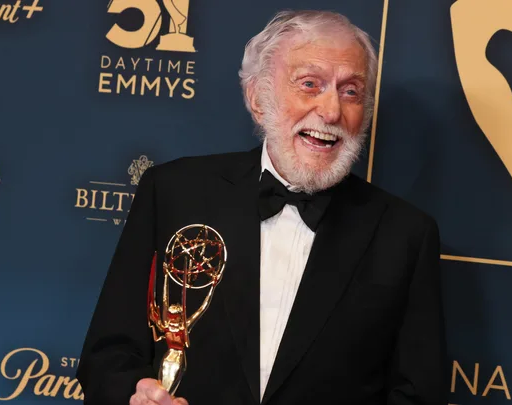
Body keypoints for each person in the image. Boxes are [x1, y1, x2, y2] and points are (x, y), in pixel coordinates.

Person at [77, 10, 447, 405]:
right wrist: (133, 395)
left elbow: (418, 393)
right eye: (310, 84)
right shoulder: (172, 192)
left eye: (351, 91)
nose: (332, 111)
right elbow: (108, 354)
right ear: (258, 98)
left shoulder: (406, 235)